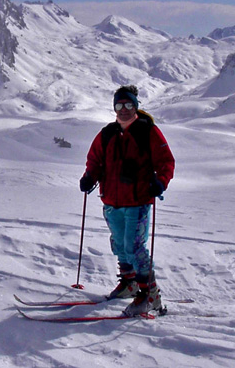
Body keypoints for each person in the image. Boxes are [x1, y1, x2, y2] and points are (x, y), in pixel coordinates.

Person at [80, 85, 175, 316]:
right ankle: (130, 283)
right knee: (120, 245)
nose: (124, 109)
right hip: (111, 202)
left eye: (129, 104)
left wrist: (161, 182)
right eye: (120, 105)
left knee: (135, 247)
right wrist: (89, 177)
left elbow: (166, 161)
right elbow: (94, 160)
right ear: (114, 107)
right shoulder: (107, 134)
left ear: (136, 106)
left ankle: (150, 295)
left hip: (138, 202)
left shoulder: (148, 131)